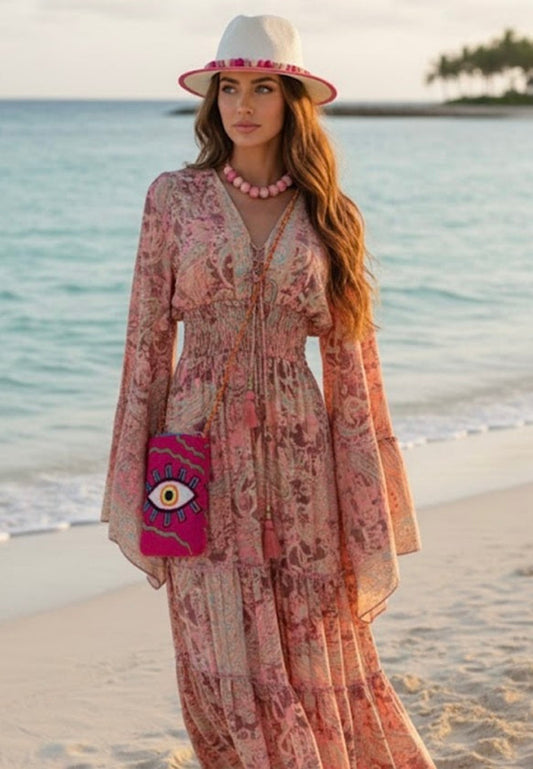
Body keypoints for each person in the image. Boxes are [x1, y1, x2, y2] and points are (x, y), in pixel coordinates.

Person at [101, 14, 436, 769]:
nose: (242, 104)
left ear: (291, 99)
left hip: (300, 464)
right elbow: (145, 347)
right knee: (215, 649)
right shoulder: (174, 200)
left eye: (260, 87)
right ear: (211, 99)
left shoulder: (328, 214)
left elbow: (353, 374)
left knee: (308, 648)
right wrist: (131, 478)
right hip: (194, 459)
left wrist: (362, 504)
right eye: (228, 87)